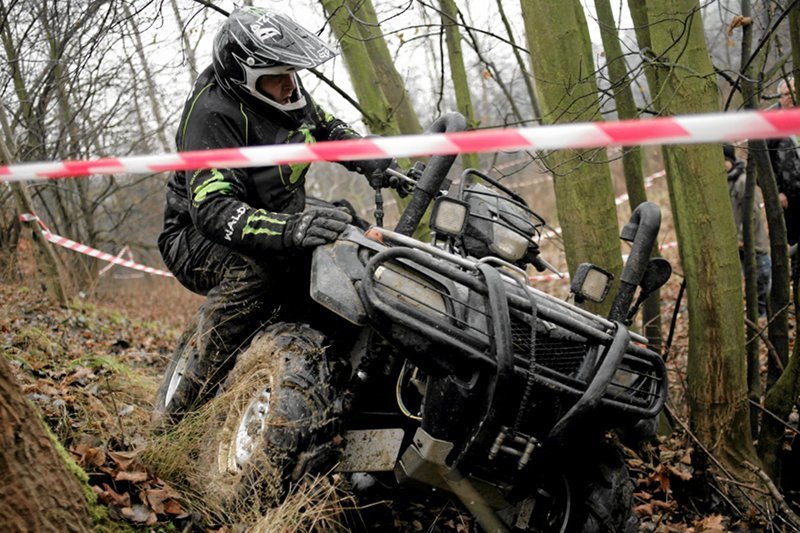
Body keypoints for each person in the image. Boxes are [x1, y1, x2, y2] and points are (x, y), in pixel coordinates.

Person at [157, 7, 394, 410]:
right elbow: (213, 210)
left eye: (291, 74)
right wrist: (290, 232)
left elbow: (327, 130)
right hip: (194, 235)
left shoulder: (285, 92)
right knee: (259, 268)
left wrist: (378, 163)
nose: (289, 85)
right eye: (278, 78)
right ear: (246, 79)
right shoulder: (212, 116)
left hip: (273, 208)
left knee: (346, 226)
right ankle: (185, 400)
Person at [724, 144, 771, 317]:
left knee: (762, 278)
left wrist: (744, 236)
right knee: (749, 279)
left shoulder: (742, 181)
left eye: (724, 160)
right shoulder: (727, 181)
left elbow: (752, 213)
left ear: (730, 160)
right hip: (738, 243)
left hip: (753, 242)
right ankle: (757, 313)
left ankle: (764, 313)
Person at [767, 77, 800, 245]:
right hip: (789, 197)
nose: (790, 97)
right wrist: (776, 192)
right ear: (779, 98)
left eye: (794, 93)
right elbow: (761, 166)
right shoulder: (772, 125)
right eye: (786, 94)